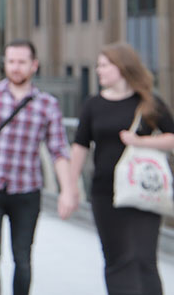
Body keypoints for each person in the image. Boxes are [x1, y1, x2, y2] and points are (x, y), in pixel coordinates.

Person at [0, 39, 79, 295]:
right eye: (11, 61)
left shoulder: (47, 104)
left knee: (22, 258)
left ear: (34, 65)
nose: (16, 67)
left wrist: (68, 190)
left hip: (27, 191)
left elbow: (58, 150)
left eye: (22, 62)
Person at [70, 42, 174, 295]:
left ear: (122, 67)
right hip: (105, 193)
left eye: (104, 65)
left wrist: (141, 141)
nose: (98, 70)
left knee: (143, 258)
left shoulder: (149, 103)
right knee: (117, 259)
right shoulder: (93, 104)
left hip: (144, 190)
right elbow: (80, 146)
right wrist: (70, 187)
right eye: (98, 66)